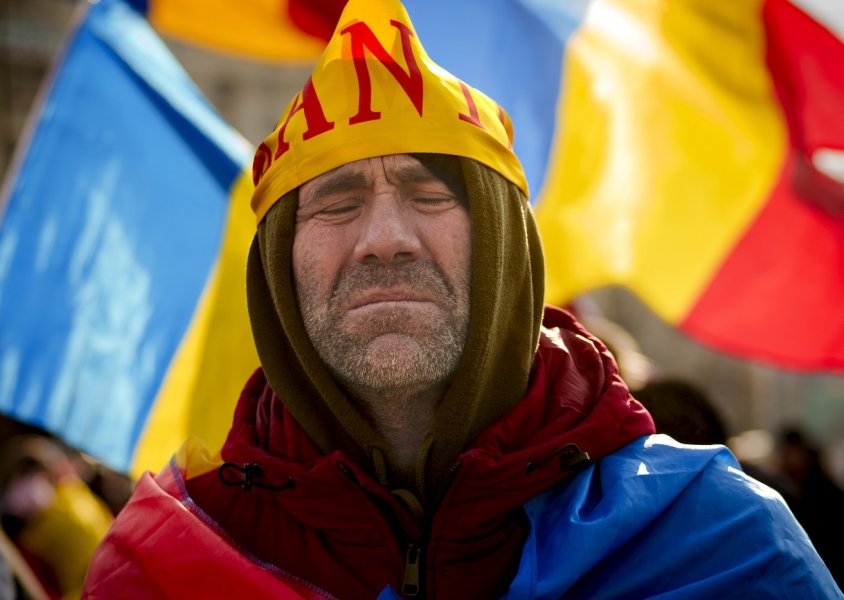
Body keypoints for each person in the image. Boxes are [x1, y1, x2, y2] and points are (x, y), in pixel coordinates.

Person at [81, 0, 841, 598]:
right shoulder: (168, 563)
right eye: (337, 202)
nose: (385, 237)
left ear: (506, 251)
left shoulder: (719, 540)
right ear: (277, 269)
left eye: (431, 193)